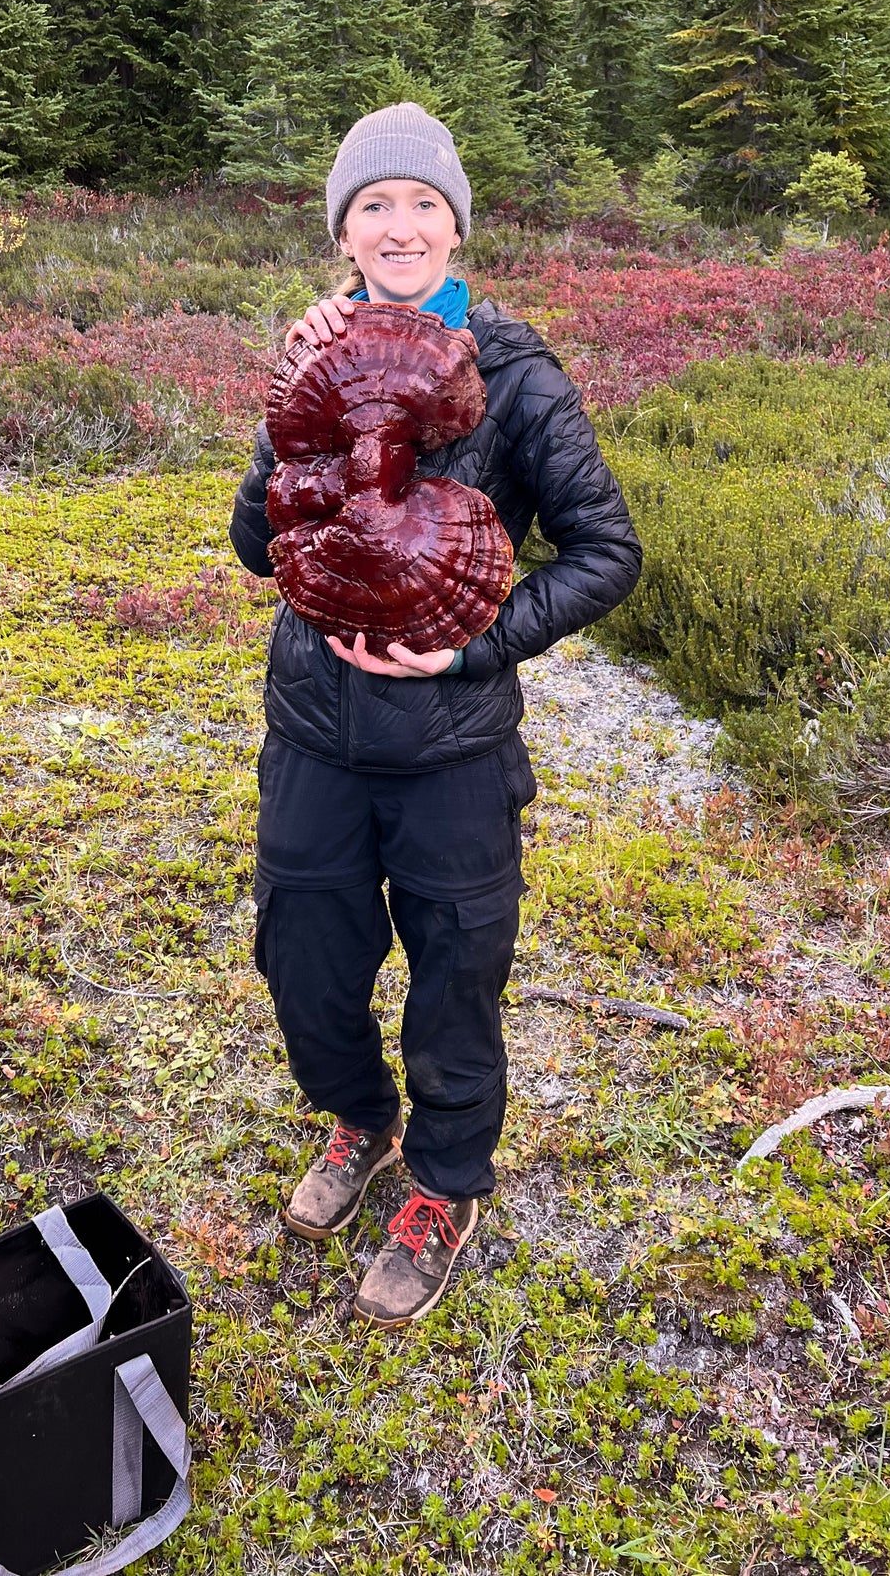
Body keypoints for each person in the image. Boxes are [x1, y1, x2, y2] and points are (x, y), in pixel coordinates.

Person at [230, 102, 641, 1327]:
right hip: (313, 732)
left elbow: (603, 551)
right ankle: (358, 1121)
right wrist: (286, 415)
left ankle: (444, 1184)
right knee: (303, 958)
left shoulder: (512, 373)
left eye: (421, 205)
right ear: (343, 229)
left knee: (456, 974)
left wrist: (475, 647)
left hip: (453, 751)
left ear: (454, 223)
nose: (397, 226)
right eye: (372, 206)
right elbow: (258, 546)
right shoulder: (310, 349)